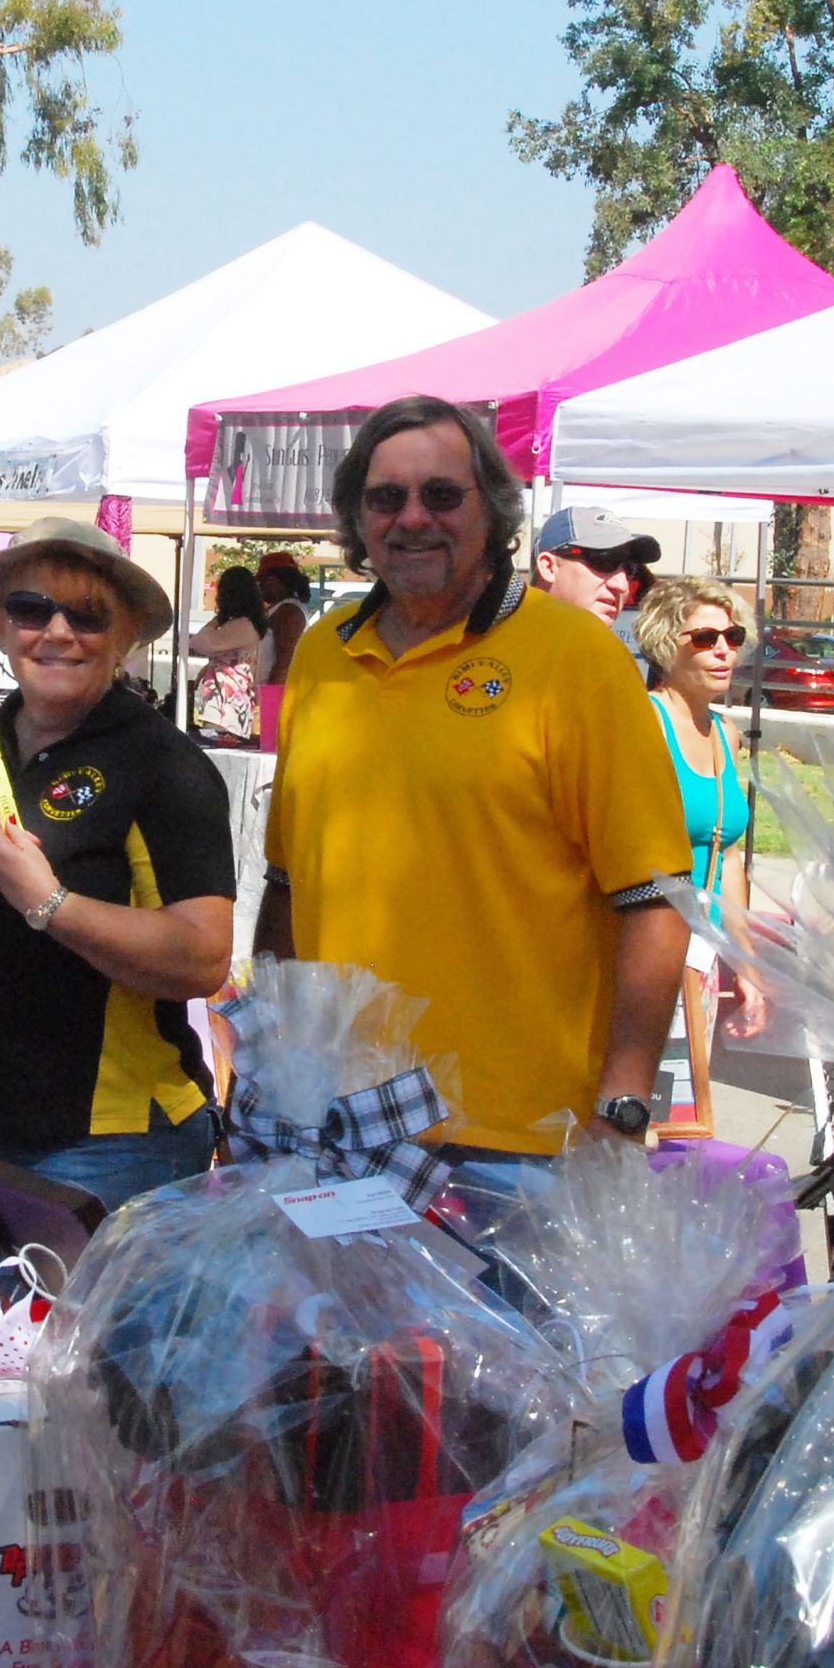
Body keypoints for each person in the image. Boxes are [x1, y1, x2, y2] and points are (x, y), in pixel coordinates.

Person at [255, 395, 690, 1189]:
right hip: (338, 1129)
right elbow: (287, 885)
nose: (412, 518)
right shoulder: (321, 655)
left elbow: (655, 898)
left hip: (518, 1145)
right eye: (386, 498)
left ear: (491, 512)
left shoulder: (576, 661)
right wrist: (266, 1065)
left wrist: (623, 1101)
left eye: (441, 495)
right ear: (358, 520)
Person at [0, 516, 234, 1266]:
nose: (57, 631)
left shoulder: (162, 765)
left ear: (125, 634)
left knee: (87, 1379)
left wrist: (52, 904)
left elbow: (203, 958)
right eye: (32, 609)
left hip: (105, 1148)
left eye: (88, 614)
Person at [635, 576, 769, 1136]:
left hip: (702, 960)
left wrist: (748, 965)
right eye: (705, 637)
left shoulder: (726, 733)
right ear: (668, 643)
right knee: (638, 1117)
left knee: (680, 1124)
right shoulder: (642, 721)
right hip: (645, 958)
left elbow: (728, 855)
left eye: (733, 636)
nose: (723, 649)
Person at [532, 504, 657, 626]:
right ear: (548, 567)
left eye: (631, 568)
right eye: (604, 561)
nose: (622, 585)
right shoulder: (514, 643)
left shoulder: (615, 647)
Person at [186, 565, 267, 747]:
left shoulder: (241, 626)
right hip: (229, 702)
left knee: (218, 748)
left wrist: (216, 620)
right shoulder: (246, 624)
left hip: (226, 704)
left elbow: (200, 642)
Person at [256, 549, 311, 674]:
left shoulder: (288, 612)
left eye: (262, 581)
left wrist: (271, 692)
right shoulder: (279, 608)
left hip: (276, 689)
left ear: (273, 580)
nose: (260, 586)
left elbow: (285, 661)